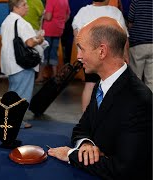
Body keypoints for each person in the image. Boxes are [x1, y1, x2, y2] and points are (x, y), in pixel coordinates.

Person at [47, 17, 152, 180]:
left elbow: (125, 170)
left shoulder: (139, 100)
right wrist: (86, 145)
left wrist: (71, 154)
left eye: (81, 49)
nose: (79, 57)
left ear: (102, 51)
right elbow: (82, 128)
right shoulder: (101, 85)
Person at [72, 0, 129, 112]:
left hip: (90, 56)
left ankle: (85, 118)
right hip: (111, 57)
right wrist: (126, 56)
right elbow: (124, 38)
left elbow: (76, 36)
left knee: (90, 85)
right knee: (112, 86)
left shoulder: (83, 11)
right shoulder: (115, 12)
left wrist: (81, 53)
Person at [0, 0, 45, 128]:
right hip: (22, 64)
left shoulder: (6, 21)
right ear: (15, 7)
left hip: (10, 63)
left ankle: (8, 119)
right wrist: (40, 39)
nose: (27, 7)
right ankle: (16, 121)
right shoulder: (22, 23)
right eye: (24, 5)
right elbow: (30, 43)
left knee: (13, 92)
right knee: (22, 95)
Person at [35, 0, 70, 82]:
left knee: (44, 52)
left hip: (49, 29)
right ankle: (55, 75)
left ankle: (40, 76)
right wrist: (60, 21)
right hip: (59, 29)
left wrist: (43, 14)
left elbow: (48, 17)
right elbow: (67, 15)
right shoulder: (65, 1)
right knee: (54, 52)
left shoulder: (51, 0)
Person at [128, 0, 153, 92]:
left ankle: (136, 104)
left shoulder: (136, 1)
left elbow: (130, 20)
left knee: (136, 78)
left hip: (138, 44)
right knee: (151, 80)